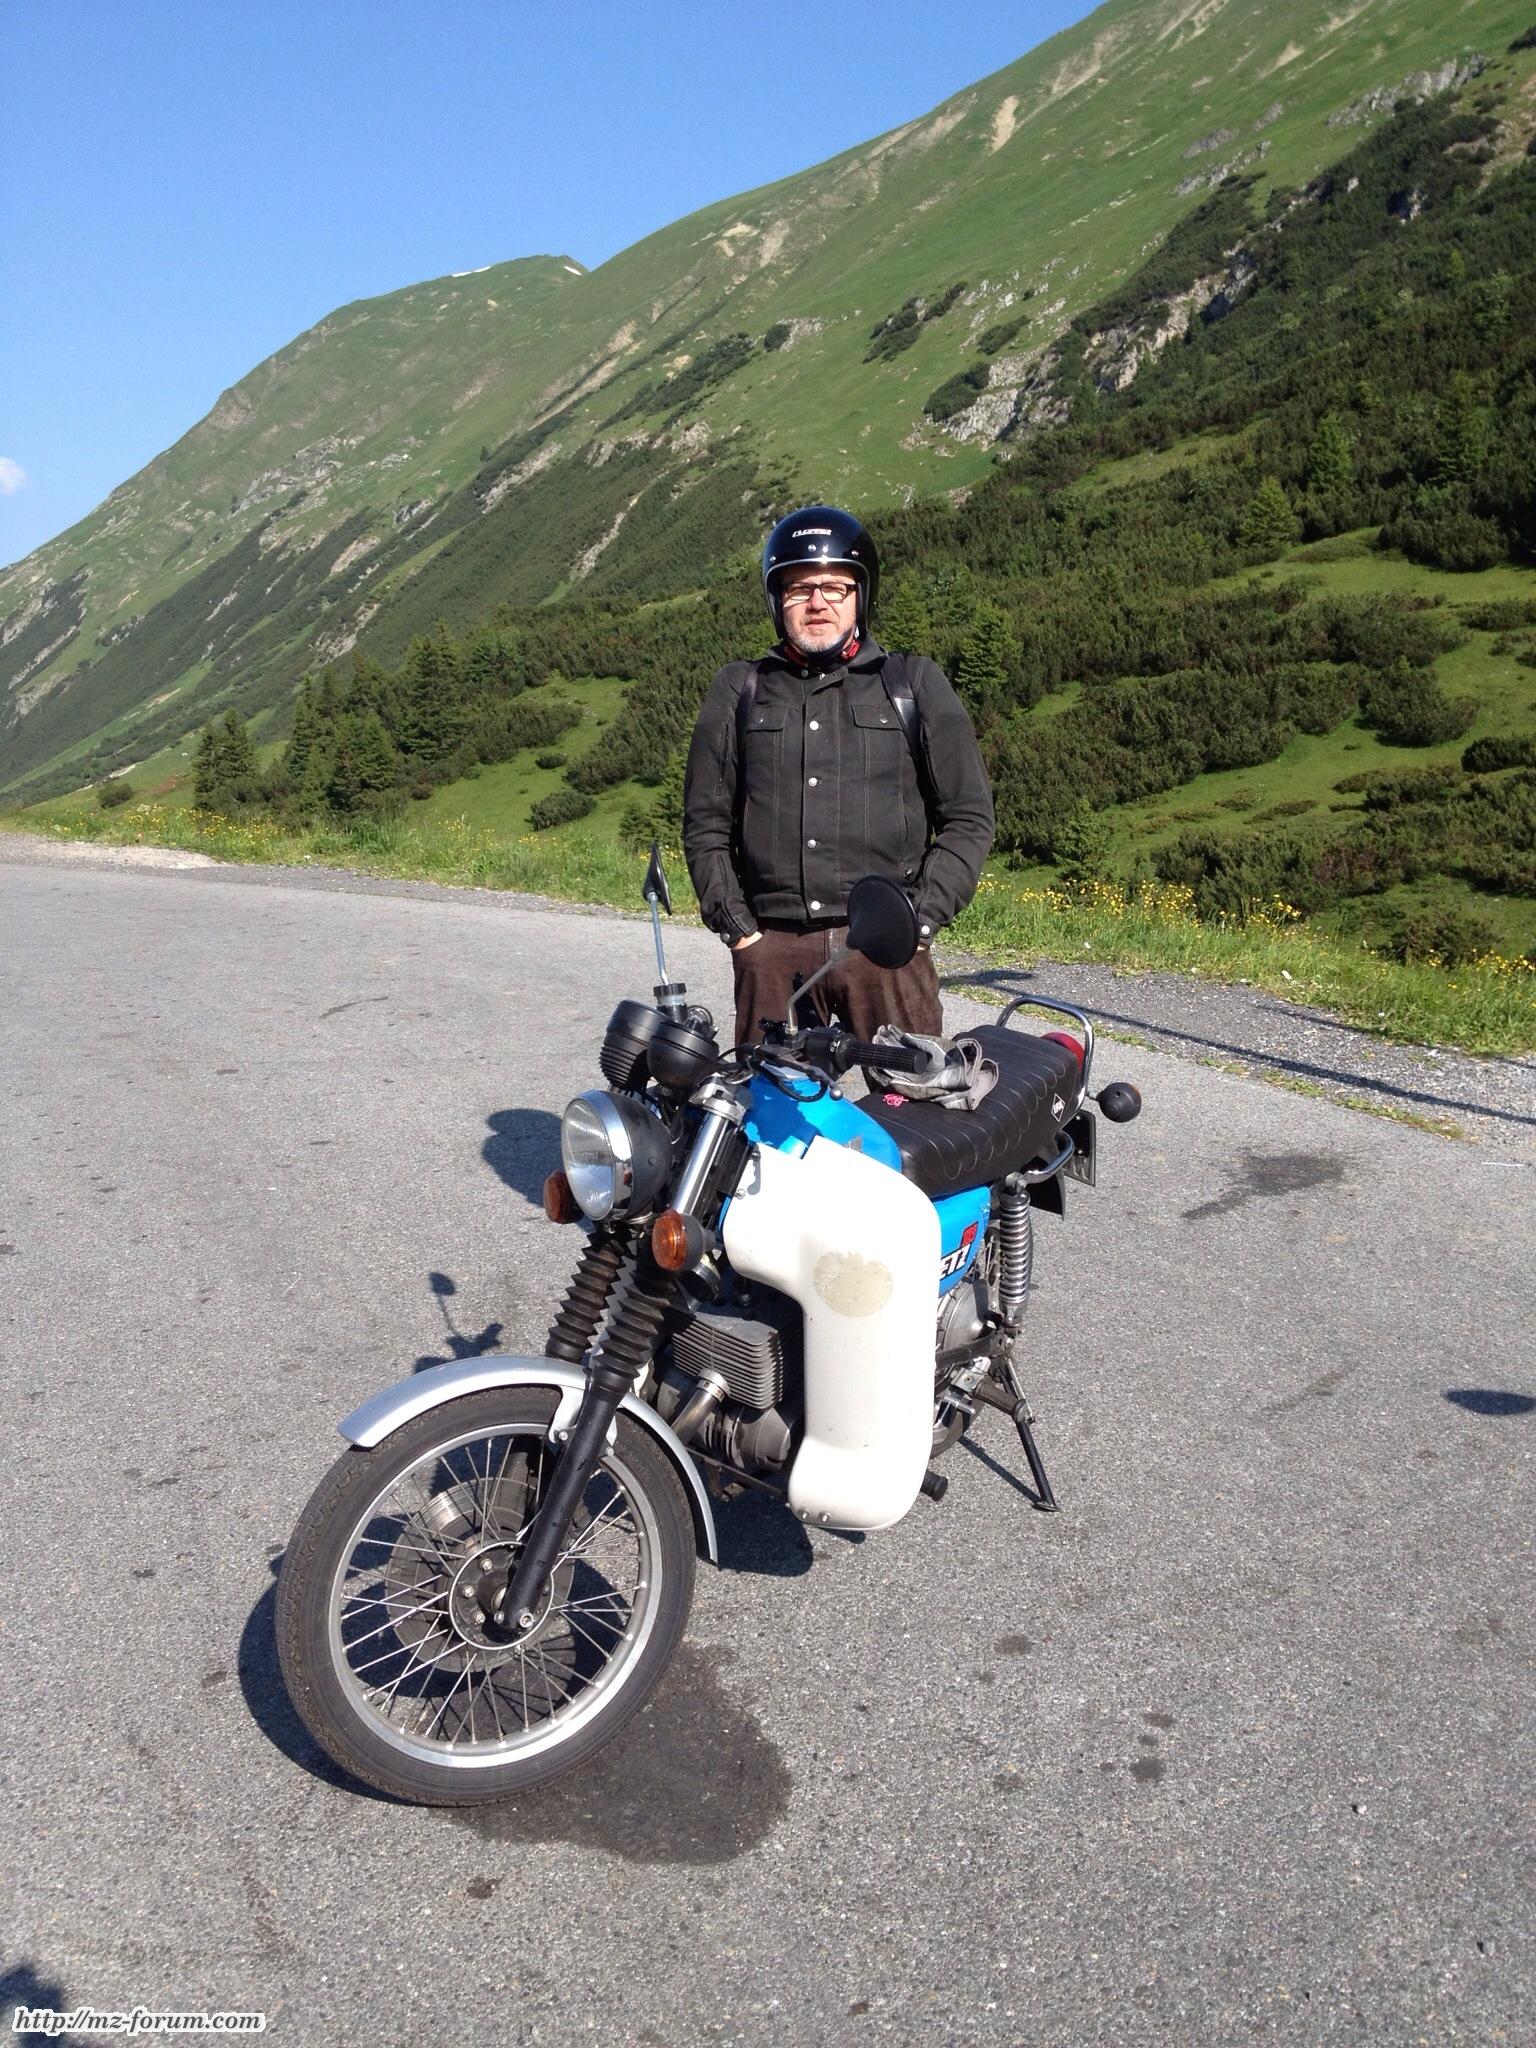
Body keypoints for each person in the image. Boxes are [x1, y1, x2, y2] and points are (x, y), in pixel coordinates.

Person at [682, 503, 995, 1049]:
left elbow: (969, 816)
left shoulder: (912, 682)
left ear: (860, 596)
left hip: (885, 950)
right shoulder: (739, 689)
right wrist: (740, 932)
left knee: (906, 1096)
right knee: (772, 1101)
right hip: (771, 950)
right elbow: (705, 821)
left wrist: (918, 923)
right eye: (799, 588)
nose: (817, 602)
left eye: (834, 587)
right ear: (777, 599)